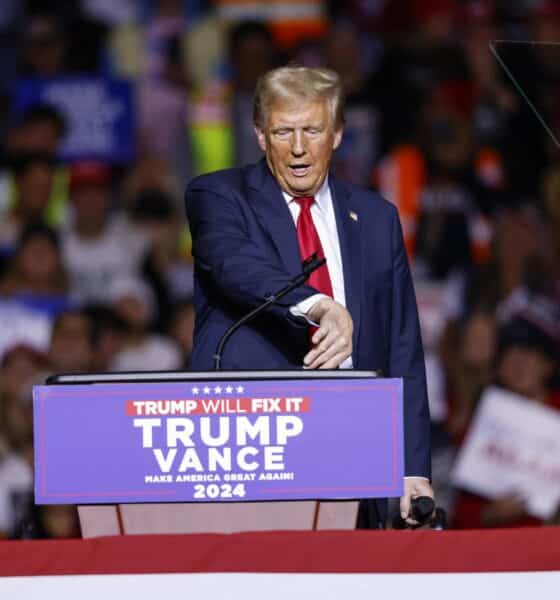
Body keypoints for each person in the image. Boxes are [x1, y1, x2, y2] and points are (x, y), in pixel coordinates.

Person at [184, 66, 433, 527]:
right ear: (260, 135)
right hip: (256, 449)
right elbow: (235, 265)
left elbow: (402, 348)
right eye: (283, 132)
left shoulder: (376, 218)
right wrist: (318, 306)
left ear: (337, 134)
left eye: (312, 130)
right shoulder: (218, 196)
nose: (298, 149)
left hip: (357, 449)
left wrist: (412, 468)